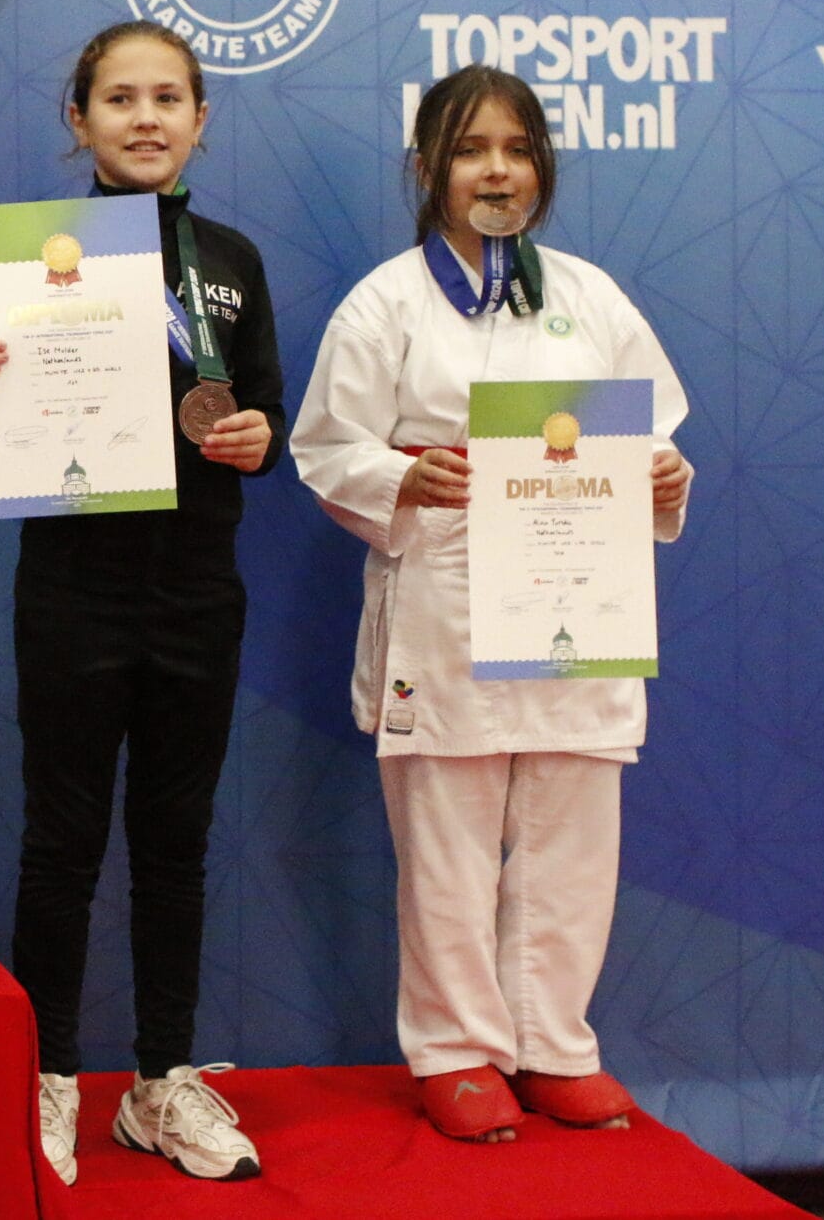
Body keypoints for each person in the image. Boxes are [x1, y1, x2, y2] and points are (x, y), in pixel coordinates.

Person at [290, 65, 693, 1141]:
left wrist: (663, 476)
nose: (497, 171)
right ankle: (457, 1049)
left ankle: (554, 1042)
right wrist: (402, 477)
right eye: (470, 150)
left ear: (542, 168)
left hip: (580, 602)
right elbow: (325, 448)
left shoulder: (592, 298)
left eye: (517, 150)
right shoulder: (385, 303)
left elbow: (654, 437)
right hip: (449, 608)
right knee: (449, 844)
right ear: (426, 169)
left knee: (574, 839)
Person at [0, 21, 282, 1183]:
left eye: (167, 98)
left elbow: (267, 411)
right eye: (120, 98)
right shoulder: (32, 258)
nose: (145, 117)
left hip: (198, 594)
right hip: (73, 592)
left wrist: (258, 436)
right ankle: (46, 1076)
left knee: (174, 845)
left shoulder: (232, 260)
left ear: (200, 119)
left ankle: (159, 1083)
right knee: (63, 842)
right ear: (77, 118)